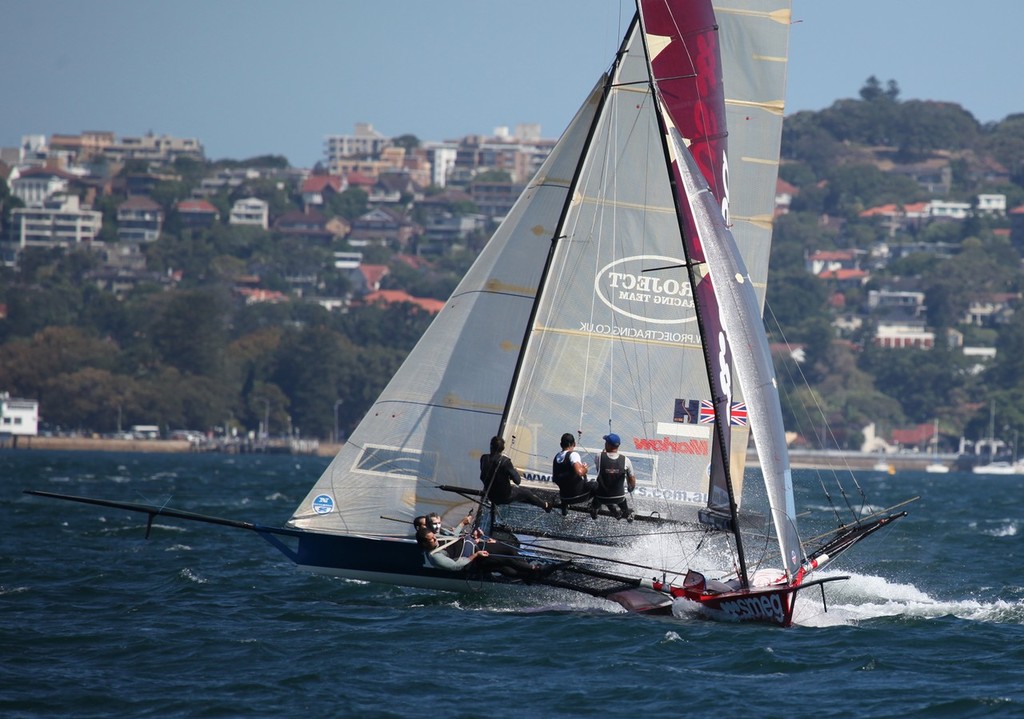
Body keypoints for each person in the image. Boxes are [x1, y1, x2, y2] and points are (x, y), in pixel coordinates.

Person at [415, 527, 558, 579]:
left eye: (433, 536)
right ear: (423, 544)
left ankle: (528, 576)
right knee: (503, 559)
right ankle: (536, 570)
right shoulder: (435, 556)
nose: (434, 539)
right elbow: (455, 566)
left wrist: (470, 532)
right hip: (472, 564)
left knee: (503, 559)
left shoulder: (438, 538)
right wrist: (476, 555)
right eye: (431, 539)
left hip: (476, 548)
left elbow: (455, 537)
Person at [479, 435, 552, 512]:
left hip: (490, 496)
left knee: (506, 489)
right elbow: (518, 481)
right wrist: (514, 471)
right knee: (527, 493)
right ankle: (546, 506)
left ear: (491, 446)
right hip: (504, 498)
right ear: (503, 448)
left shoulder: (484, 458)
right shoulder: (505, 461)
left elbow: (486, 474)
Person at [590, 433, 636, 521]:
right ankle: (625, 511)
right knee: (620, 498)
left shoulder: (599, 456)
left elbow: (599, 469)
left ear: (607, 444)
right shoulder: (626, 460)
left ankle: (594, 509)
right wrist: (631, 488)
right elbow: (632, 479)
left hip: (601, 497)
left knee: (596, 488)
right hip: (619, 497)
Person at [552, 432, 594, 516]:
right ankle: (594, 508)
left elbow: (556, 478)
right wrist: (585, 469)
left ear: (561, 444)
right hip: (579, 496)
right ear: (574, 444)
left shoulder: (556, 457)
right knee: (596, 484)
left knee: (566, 483)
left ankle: (564, 506)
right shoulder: (573, 455)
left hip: (565, 497)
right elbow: (580, 472)